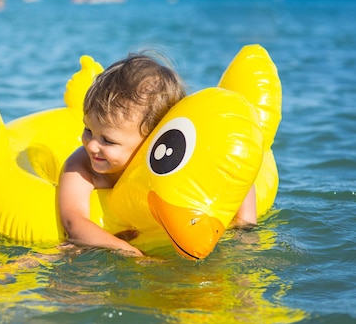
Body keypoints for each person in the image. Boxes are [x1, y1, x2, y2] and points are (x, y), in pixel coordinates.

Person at [58, 52, 256, 257]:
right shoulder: (80, 165)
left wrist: (245, 223)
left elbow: (233, 168)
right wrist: (130, 252)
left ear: (153, 138)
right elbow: (74, 221)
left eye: (108, 140)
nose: (91, 146)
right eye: (88, 130)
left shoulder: (176, 164)